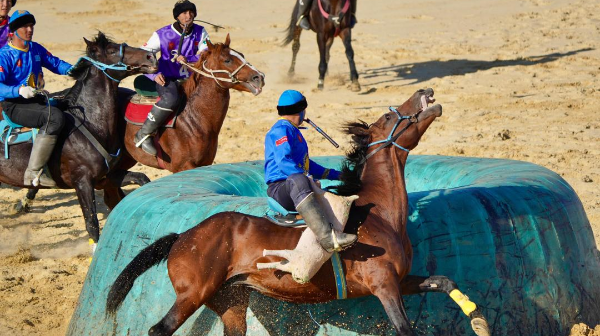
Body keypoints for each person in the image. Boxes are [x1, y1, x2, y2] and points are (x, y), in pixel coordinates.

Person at [264, 90, 357, 252]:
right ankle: (327, 237)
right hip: (281, 189)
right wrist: (307, 178)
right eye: (304, 110)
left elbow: (307, 165)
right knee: (299, 179)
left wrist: (337, 175)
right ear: (300, 111)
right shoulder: (281, 131)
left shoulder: (293, 131)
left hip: (295, 185)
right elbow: (284, 162)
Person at [0, 10, 73, 186]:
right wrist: (18, 91)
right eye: (25, 26)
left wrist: (78, 68)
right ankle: (32, 172)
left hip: (36, 100)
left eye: (31, 25)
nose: (30, 29)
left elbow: (56, 64)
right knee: (53, 117)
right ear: (14, 30)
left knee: (70, 102)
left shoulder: (35, 49)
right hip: (14, 106)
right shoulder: (4, 56)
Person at [135, 0, 210, 156]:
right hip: (167, 79)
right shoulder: (161, 34)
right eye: (184, 13)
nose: (188, 16)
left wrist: (189, 58)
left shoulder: (200, 31)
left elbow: (205, 53)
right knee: (171, 99)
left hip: (191, 78)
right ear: (177, 16)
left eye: (191, 13)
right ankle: (144, 133)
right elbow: (142, 56)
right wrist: (153, 75)